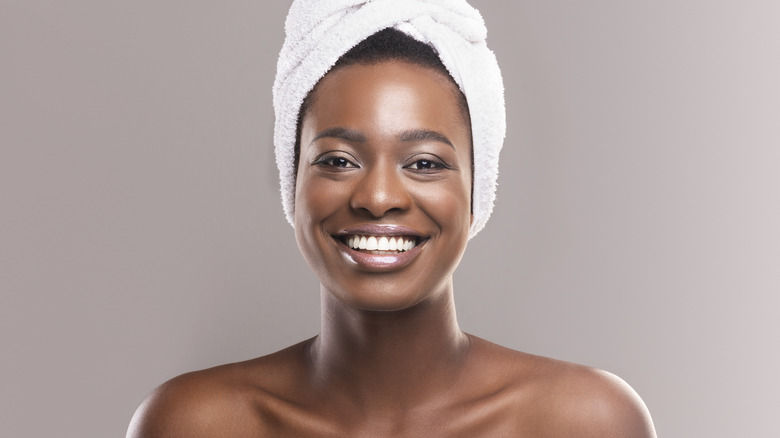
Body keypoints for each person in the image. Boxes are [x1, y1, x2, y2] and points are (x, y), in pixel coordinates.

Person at [127, 1, 656, 436]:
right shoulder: (196, 424)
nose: (378, 197)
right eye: (338, 160)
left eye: (424, 163)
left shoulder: (583, 422)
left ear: (478, 191)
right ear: (294, 186)